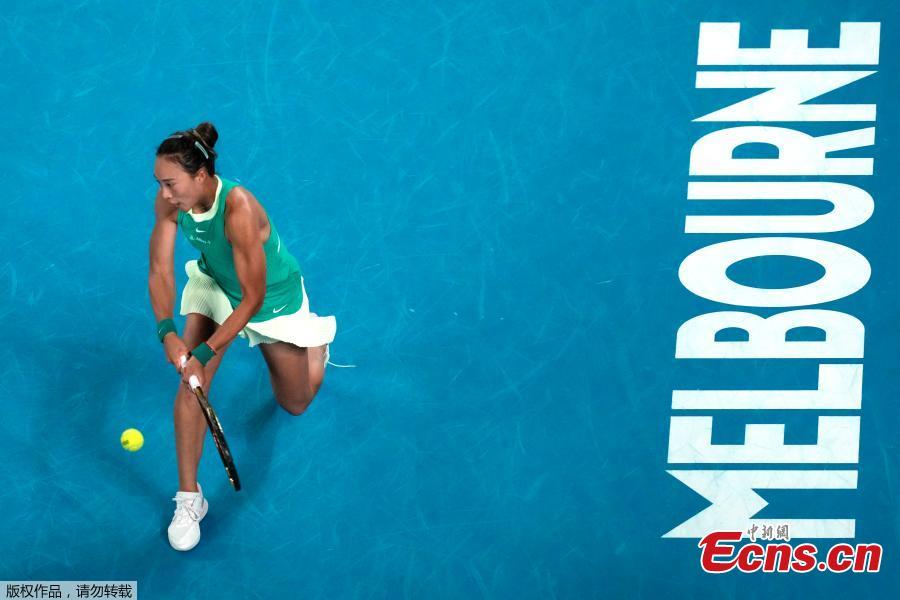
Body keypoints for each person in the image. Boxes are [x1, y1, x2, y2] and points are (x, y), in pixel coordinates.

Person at [147, 122, 336, 551]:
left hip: (270, 299)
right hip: (217, 283)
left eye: (171, 183)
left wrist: (203, 351)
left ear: (200, 176)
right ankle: (189, 498)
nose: (164, 194)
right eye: (159, 183)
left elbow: (252, 299)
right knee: (192, 384)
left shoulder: (239, 209)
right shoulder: (171, 200)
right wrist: (168, 333)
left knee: (295, 402)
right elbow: (159, 269)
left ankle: (317, 343)